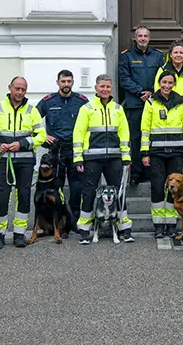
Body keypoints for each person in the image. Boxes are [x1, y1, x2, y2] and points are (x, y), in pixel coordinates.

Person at [0, 77, 46, 249]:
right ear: (10, 88)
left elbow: (41, 136)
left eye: (23, 90)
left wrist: (22, 144)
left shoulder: (32, 110)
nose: (19, 92)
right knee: (1, 198)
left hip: (25, 162)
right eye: (17, 88)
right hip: (3, 161)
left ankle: (19, 234)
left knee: (23, 197)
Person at [73, 74, 134, 244]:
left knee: (119, 194)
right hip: (92, 157)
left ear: (111, 89)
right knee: (89, 193)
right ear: (96, 88)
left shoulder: (117, 109)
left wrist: (126, 157)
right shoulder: (87, 108)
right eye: (102, 86)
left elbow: (124, 133)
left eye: (108, 87)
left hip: (115, 157)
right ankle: (85, 230)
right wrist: (78, 158)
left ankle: (124, 229)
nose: (105, 89)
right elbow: (78, 133)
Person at [141, 71, 183, 238]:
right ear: (159, 83)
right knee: (158, 188)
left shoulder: (181, 102)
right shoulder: (151, 102)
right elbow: (145, 128)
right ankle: (158, 225)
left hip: (177, 152)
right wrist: (145, 152)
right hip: (156, 152)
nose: (167, 86)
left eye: (170, 83)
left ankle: (171, 225)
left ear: (174, 84)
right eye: (164, 82)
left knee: (176, 190)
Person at [36, 69, 88, 233]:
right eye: (63, 81)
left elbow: (89, 124)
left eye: (69, 81)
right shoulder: (47, 101)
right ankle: (55, 223)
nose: (66, 84)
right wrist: (43, 137)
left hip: (75, 151)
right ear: (57, 82)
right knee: (54, 188)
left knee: (77, 188)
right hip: (55, 153)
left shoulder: (81, 101)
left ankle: (74, 221)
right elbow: (32, 121)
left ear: (72, 82)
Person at [119, 26, 164, 185]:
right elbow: (124, 79)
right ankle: (137, 173)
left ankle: (152, 171)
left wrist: (151, 92)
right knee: (136, 138)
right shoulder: (126, 56)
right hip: (135, 104)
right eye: (140, 36)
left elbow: (163, 77)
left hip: (154, 103)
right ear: (135, 38)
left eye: (145, 36)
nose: (143, 38)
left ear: (149, 38)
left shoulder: (158, 56)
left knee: (153, 138)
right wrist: (140, 92)